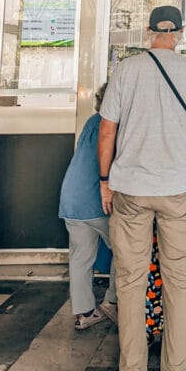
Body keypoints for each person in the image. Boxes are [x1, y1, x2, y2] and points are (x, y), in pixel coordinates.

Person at [98, 5, 186, 371]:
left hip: (130, 190)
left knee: (130, 282)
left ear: (148, 31)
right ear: (179, 33)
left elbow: (106, 131)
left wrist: (105, 180)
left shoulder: (125, 70)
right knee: (178, 283)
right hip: (178, 190)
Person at [58, 83, 118, 330]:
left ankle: (84, 313)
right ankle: (113, 302)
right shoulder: (111, 125)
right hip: (95, 200)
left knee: (81, 258)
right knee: (126, 249)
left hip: (71, 197)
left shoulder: (92, 121)